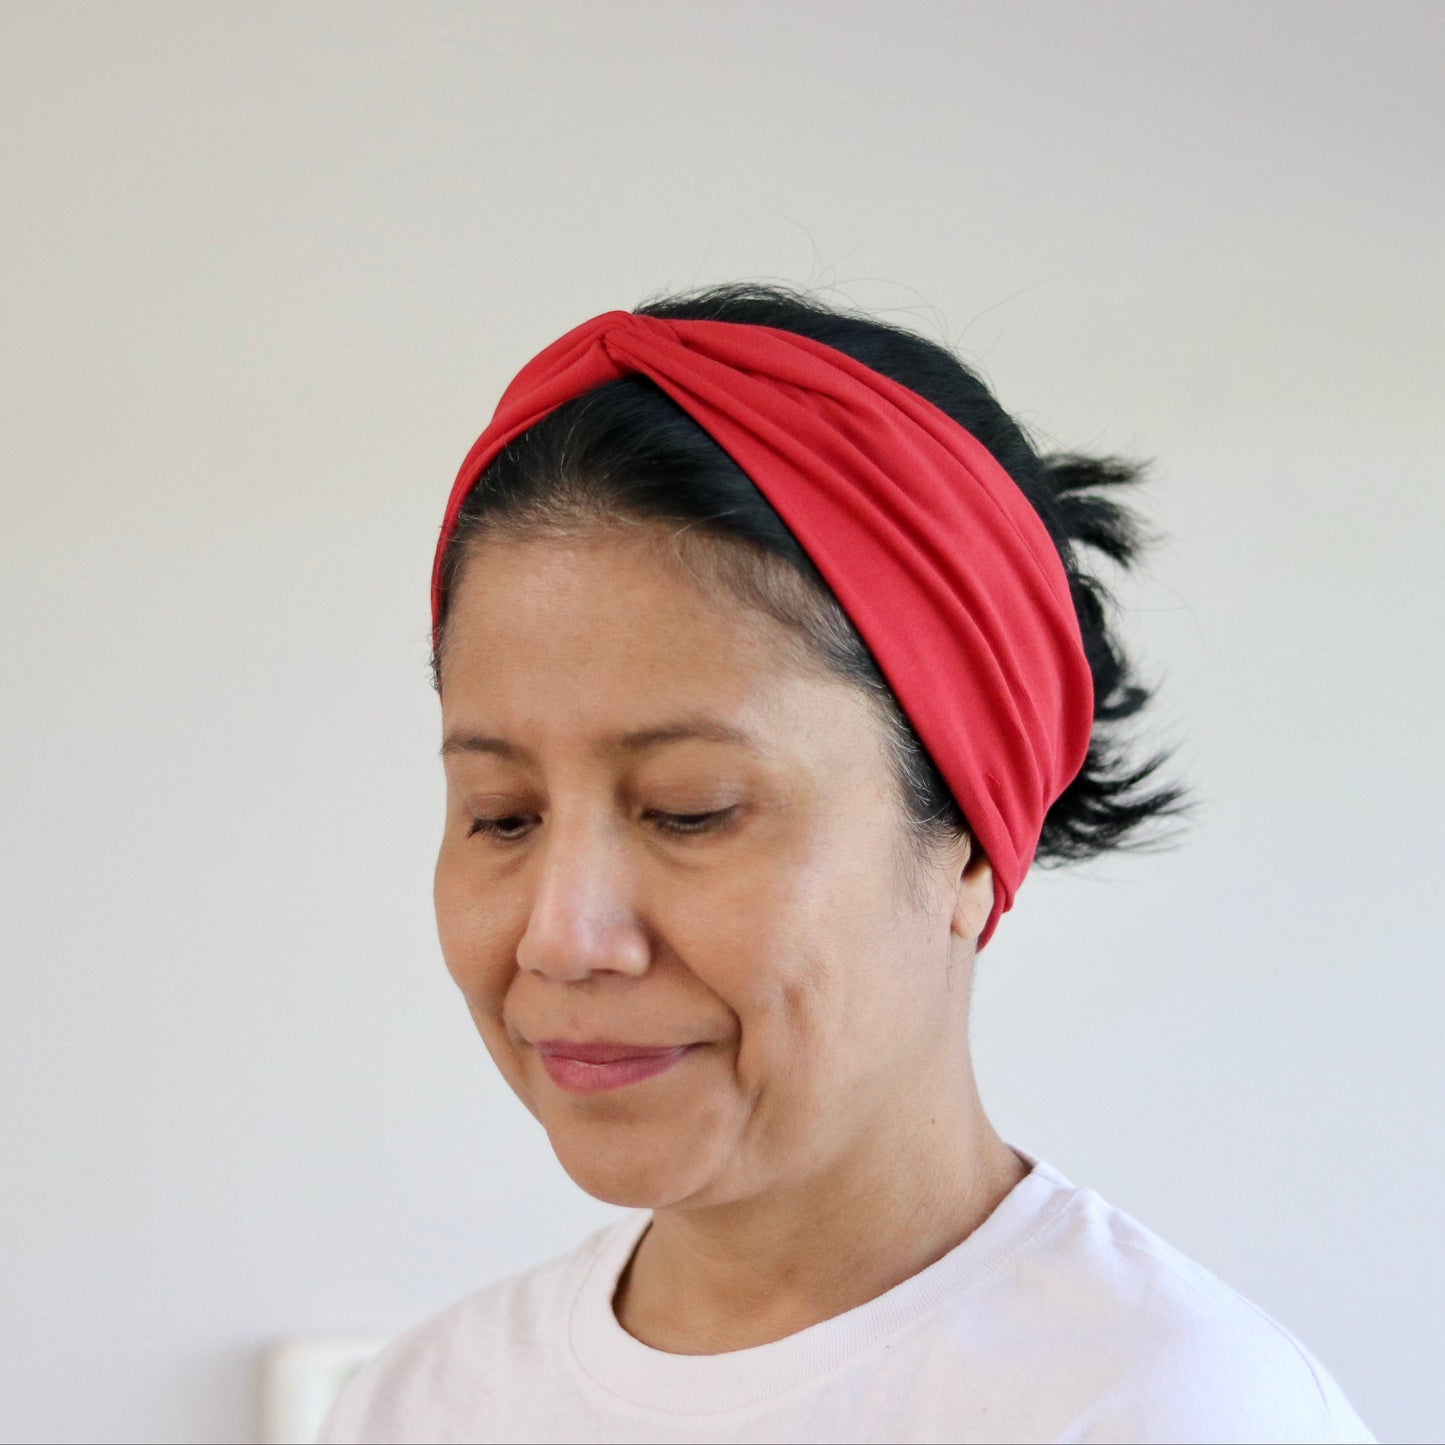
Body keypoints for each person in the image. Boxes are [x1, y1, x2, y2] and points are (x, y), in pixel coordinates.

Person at [318, 283, 1374, 1444]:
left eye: (689, 809)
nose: (560, 934)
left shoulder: (1172, 1411)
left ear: (969, 837)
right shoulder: (418, 1403)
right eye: (502, 814)